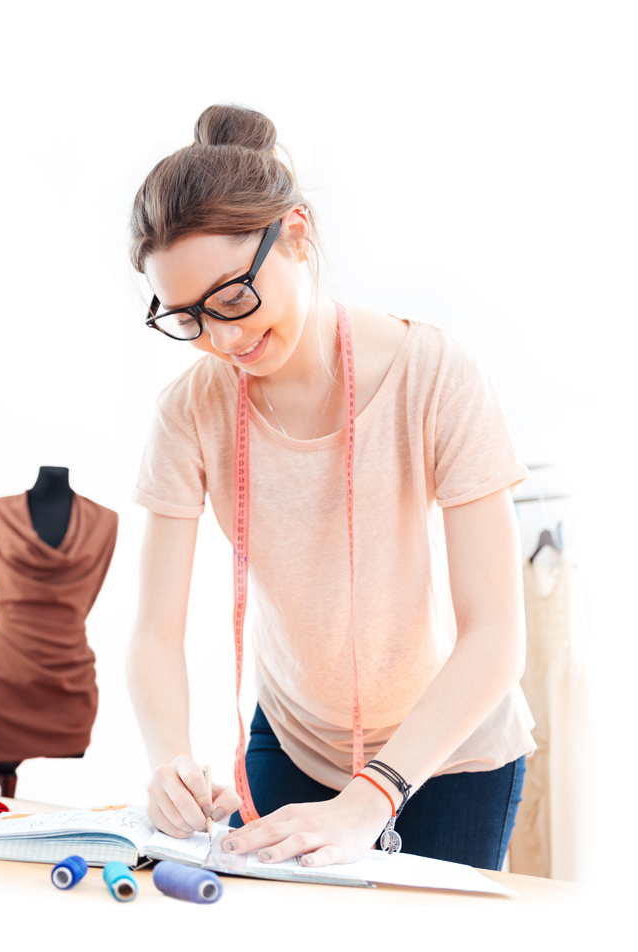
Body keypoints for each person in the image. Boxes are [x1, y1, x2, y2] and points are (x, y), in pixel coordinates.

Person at [125, 104, 533, 871]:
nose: (222, 339)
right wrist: (168, 761)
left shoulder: (437, 375)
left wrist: (368, 800)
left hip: (453, 748)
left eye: (233, 299)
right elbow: (154, 629)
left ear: (297, 235)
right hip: (293, 740)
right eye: (187, 318)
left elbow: (496, 636)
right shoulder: (189, 411)